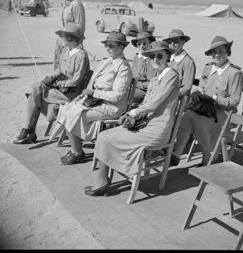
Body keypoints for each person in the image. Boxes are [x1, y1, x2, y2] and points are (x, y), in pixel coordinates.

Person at [84, 41, 180, 197]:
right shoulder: (156, 77)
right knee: (103, 136)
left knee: (108, 138)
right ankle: (103, 181)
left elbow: (154, 103)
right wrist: (131, 115)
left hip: (158, 129)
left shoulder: (171, 75)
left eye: (160, 55)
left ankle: (102, 182)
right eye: (152, 56)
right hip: (146, 124)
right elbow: (147, 103)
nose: (155, 59)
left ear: (168, 56)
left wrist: (133, 113)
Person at [57, 31, 133, 165]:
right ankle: (76, 147)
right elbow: (92, 82)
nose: (108, 48)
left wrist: (93, 92)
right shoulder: (106, 61)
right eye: (106, 45)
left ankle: (77, 152)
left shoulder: (123, 67)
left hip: (112, 106)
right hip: (95, 101)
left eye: (111, 45)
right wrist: (83, 96)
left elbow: (117, 95)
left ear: (121, 47)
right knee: (65, 108)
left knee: (73, 114)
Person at [170, 36, 243, 167]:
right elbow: (202, 88)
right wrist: (198, 93)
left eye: (221, 51)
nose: (217, 54)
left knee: (199, 122)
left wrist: (215, 98)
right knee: (186, 116)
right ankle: (176, 154)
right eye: (214, 52)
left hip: (224, 113)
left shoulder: (234, 73)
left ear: (228, 52)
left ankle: (208, 158)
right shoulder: (208, 68)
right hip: (205, 107)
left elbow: (234, 101)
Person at [13, 23, 90, 144]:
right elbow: (59, 69)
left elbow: (76, 81)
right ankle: (29, 130)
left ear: (70, 38)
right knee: (35, 88)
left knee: (34, 93)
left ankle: (29, 130)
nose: (60, 39)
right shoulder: (66, 50)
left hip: (69, 93)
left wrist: (59, 84)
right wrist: (49, 79)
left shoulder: (81, 55)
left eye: (62, 36)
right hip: (59, 88)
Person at [52, 0, 86, 70]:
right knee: (57, 70)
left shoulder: (76, 5)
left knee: (68, 71)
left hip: (70, 45)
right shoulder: (64, 5)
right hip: (60, 42)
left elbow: (80, 29)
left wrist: (73, 48)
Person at [163, 29, 196, 96]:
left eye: (176, 41)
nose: (172, 43)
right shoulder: (166, 58)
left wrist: (169, 95)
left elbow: (187, 87)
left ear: (183, 42)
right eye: (170, 41)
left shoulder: (188, 61)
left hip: (177, 98)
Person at [131, 31, 156, 104]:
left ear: (150, 43)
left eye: (145, 43)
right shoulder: (136, 57)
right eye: (139, 44)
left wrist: (137, 84)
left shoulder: (152, 60)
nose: (142, 46)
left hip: (145, 92)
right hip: (133, 88)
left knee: (126, 94)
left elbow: (152, 83)